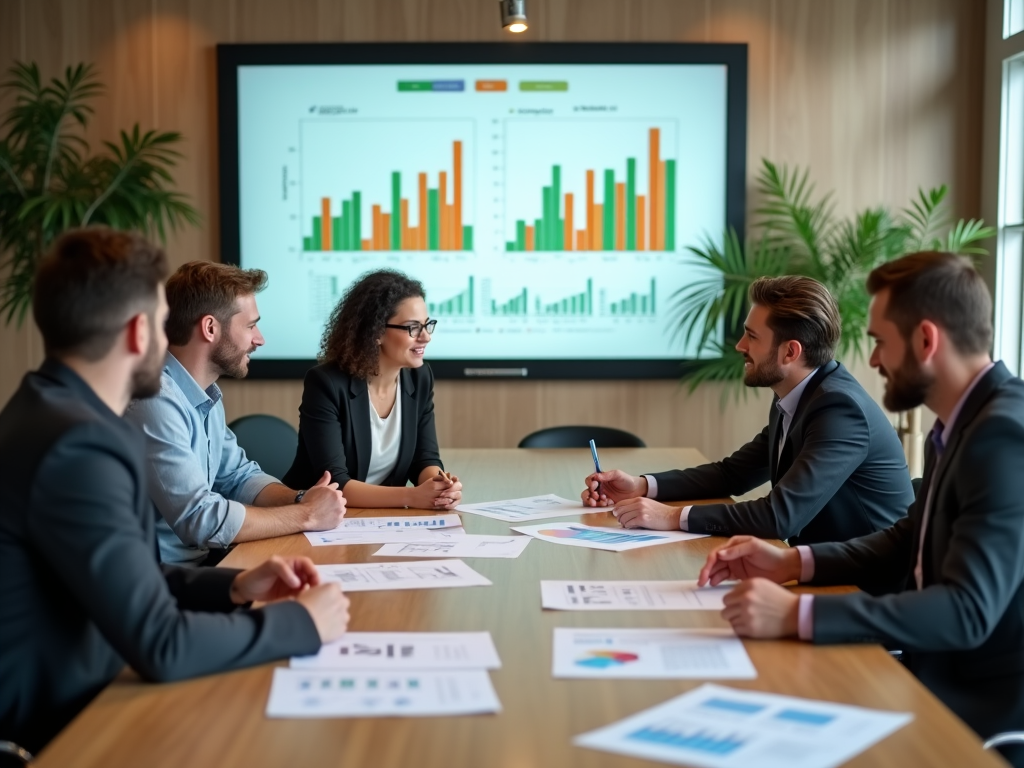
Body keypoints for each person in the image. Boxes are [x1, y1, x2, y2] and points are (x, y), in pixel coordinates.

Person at [0, 228, 350, 755]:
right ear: (140, 332)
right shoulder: (79, 445)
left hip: (87, 686)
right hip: (66, 731)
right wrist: (300, 623)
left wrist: (233, 587)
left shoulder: (47, 411)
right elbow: (161, 644)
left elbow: (133, 574)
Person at [697, 252, 1024, 763]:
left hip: (973, 716)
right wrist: (793, 562)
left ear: (925, 341)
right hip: (921, 673)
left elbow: (966, 611)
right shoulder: (962, 425)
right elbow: (905, 537)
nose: (871, 361)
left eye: (879, 343)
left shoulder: (1002, 436)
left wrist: (799, 612)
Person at [582, 275, 913, 545]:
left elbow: (780, 517)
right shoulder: (800, 396)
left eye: (751, 336)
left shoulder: (839, 410)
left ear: (789, 352)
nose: (740, 346)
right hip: (822, 569)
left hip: (865, 588)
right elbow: (733, 474)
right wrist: (642, 486)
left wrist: (670, 516)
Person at [125, 261, 347, 565]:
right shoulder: (153, 400)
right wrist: (306, 514)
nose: (259, 339)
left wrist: (300, 498)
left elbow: (238, 477)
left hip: (202, 567)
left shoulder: (205, 394)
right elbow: (199, 519)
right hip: (161, 583)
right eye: (251, 325)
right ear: (210, 328)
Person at [283, 269, 461, 509]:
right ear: (376, 332)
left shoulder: (420, 378)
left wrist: (439, 486)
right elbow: (335, 483)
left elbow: (424, 459)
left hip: (381, 519)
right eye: (413, 328)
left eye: (427, 325)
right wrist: (412, 496)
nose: (426, 337)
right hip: (315, 517)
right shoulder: (326, 383)